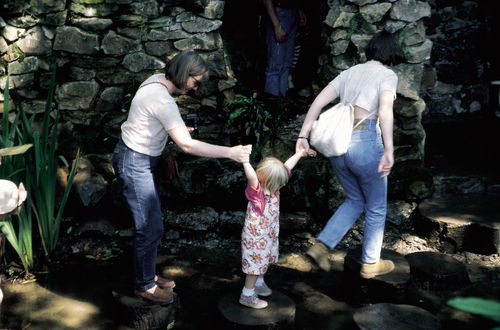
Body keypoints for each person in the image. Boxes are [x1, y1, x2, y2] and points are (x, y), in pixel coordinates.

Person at [112, 50, 252, 304]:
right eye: (195, 82)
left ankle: (147, 275)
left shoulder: (156, 81)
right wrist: (230, 152)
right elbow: (188, 146)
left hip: (138, 156)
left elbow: (150, 124)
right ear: (184, 74)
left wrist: (168, 145)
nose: (196, 88)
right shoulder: (162, 100)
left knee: (151, 224)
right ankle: (144, 285)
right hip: (134, 162)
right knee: (149, 226)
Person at [295, 31, 404, 278]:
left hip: (338, 146)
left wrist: (302, 137)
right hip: (365, 142)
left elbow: (317, 104)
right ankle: (370, 263)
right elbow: (385, 112)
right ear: (391, 53)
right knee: (376, 207)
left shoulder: (349, 72)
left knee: (355, 199)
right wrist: (389, 150)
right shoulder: (387, 75)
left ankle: (322, 246)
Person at [239, 147, 314, 309]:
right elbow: (251, 176)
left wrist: (300, 153)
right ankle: (247, 294)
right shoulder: (257, 192)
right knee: (254, 265)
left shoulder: (273, 185)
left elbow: (287, 167)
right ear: (269, 181)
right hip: (255, 239)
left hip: (268, 235)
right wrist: (245, 161)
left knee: (265, 259)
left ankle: (259, 283)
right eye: (279, 184)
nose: (281, 186)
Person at [262, 0, 306, 96]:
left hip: (292, 12)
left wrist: (298, 10)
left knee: (286, 64)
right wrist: (277, 25)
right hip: (278, 12)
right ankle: (272, 104)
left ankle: (281, 101)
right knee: (274, 67)